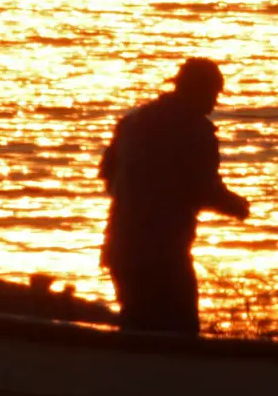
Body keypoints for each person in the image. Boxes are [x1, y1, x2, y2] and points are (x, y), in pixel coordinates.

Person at [99, 57, 252, 336]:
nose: (214, 103)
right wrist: (237, 206)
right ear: (198, 91)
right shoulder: (197, 131)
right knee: (180, 329)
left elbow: (108, 175)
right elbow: (204, 189)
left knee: (136, 323)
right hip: (164, 253)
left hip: (121, 246)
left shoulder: (134, 122)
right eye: (213, 94)